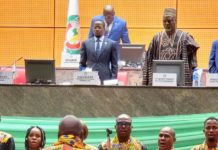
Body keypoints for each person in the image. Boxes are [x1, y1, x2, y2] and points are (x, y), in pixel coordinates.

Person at [142, 8, 199, 86]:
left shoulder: (184, 37)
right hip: (160, 79)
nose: (166, 23)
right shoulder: (156, 38)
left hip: (179, 80)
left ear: (175, 21)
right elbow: (148, 60)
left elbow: (192, 62)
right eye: (164, 21)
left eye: (169, 21)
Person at [80, 20, 118, 84]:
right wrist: (83, 76)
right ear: (92, 29)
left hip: (106, 78)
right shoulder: (86, 43)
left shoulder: (111, 44)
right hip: (89, 78)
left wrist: (113, 79)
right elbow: (82, 63)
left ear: (104, 29)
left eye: (99, 27)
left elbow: (114, 65)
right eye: (95, 27)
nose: (97, 29)